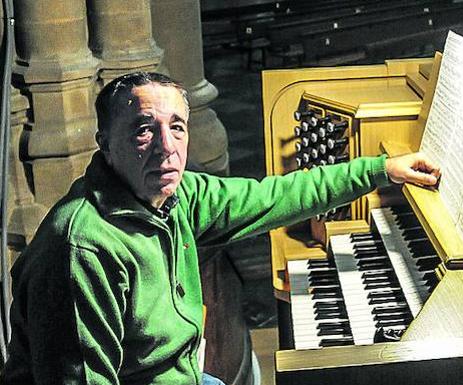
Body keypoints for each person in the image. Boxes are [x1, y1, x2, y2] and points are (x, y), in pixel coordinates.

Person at [2, 72, 440, 385]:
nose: (167, 148)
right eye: (143, 131)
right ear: (105, 144)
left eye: (176, 127)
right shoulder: (82, 250)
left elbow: (275, 197)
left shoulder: (178, 195)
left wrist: (381, 169)